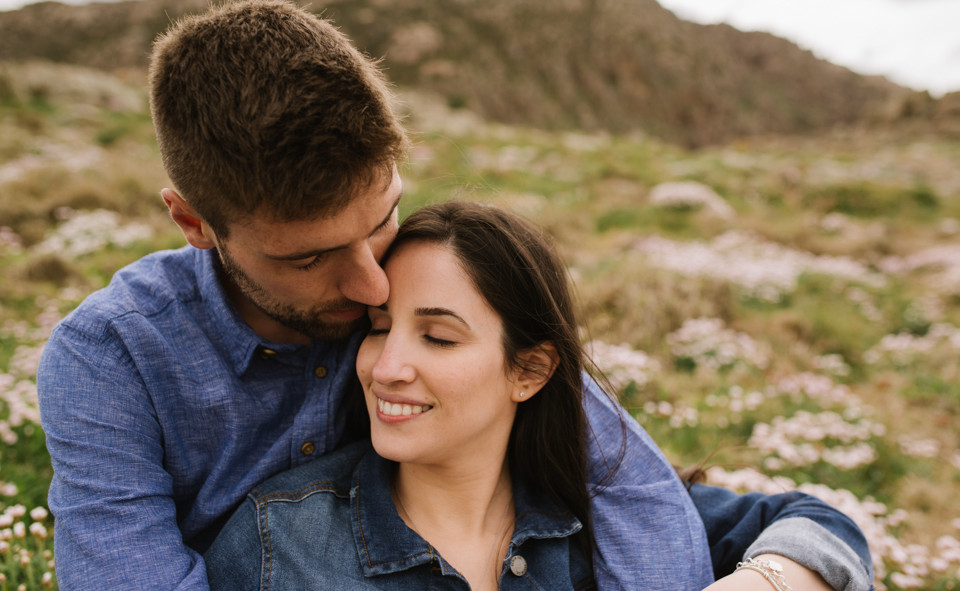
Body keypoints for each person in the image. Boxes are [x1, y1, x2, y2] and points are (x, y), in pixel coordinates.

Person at [36, 0, 872, 590]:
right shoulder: (113, 357)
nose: (370, 286)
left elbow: (633, 485)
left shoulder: (435, 302)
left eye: (383, 220)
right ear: (194, 223)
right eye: (315, 257)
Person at [203, 201, 873, 591]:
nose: (387, 366)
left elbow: (824, 527)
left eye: (438, 337)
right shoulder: (275, 542)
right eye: (379, 330)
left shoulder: (613, 514)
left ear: (530, 370)